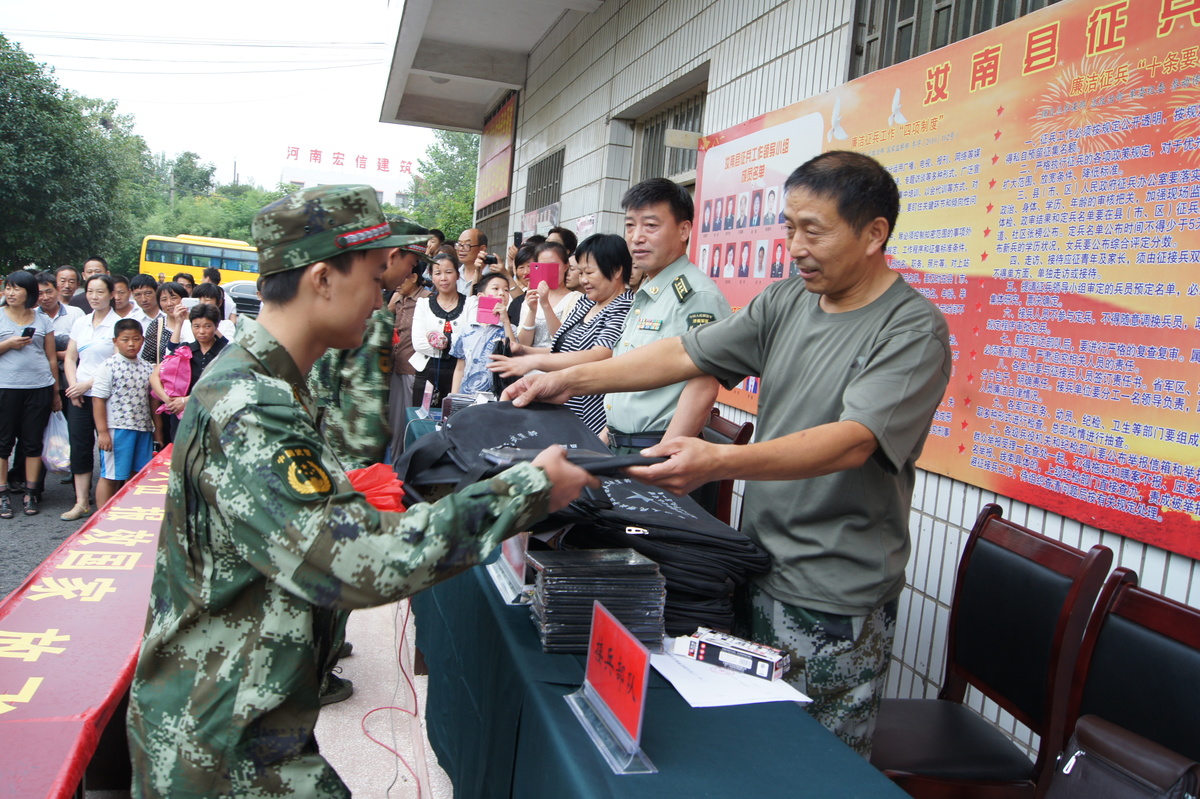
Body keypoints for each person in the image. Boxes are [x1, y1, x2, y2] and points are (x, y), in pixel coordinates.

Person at [126, 184, 594, 798]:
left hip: (245, 720)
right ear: (322, 278)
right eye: (375, 277)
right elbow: (355, 563)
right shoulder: (250, 403)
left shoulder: (268, 383)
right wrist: (527, 491)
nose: (382, 296)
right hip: (219, 744)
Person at [504, 151, 952, 757]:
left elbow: (853, 441)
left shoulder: (910, 328)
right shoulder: (788, 301)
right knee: (747, 745)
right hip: (755, 558)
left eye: (813, 230)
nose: (795, 246)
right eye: (789, 227)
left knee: (815, 762)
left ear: (875, 233)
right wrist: (572, 380)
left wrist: (717, 462)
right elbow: (685, 354)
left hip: (829, 588)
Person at [605, 177, 730, 454]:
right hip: (620, 445)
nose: (636, 237)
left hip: (655, 449)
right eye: (630, 225)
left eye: (651, 225)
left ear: (684, 230)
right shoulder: (651, 290)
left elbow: (703, 388)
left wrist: (661, 459)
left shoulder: (696, 296)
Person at [490, 233, 633, 436]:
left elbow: (600, 354)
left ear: (617, 270)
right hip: (562, 405)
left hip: (593, 415)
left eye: (590, 273)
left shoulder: (624, 307)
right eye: (581, 272)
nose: (583, 280)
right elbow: (562, 349)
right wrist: (525, 351)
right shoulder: (585, 302)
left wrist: (534, 362)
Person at [0, 270, 60, 517]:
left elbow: (51, 358)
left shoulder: (42, 319)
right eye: (8, 288)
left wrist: (56, 392)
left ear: (28, 293)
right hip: (6, 387)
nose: (10, 293)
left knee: (33, 443)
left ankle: (31, 492)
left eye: (16, 288)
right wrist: (8, 344)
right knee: (3, 443)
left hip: (39, 387)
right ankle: (3, 494)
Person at [62, 274, 118, 521]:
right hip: (80, 396)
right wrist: (74, 386)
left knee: (110, 447)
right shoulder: (81, 323)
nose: (94, 297)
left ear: (111, 295)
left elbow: (117, 363)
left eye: (100, 292)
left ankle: (112, 501)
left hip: (107, 396)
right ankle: (82, 501)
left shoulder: (120, 323)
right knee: (80, 446)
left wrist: (86, 384)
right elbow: (71, 358)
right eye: (91, 292)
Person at [92, 318, 154, 506]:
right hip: (117, 429)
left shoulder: (147, 367)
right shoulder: (108, 366)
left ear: (142, 340)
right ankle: (101, 517)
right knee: (111, 475)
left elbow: (151, 400)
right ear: (115, 341)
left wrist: (155, 429)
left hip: (142, 428)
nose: (131, 344)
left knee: (137, 475)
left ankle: (128, 512)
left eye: (135, 339)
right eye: (125, 339)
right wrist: (103, 432)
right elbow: (98, 400)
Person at [151, 304, 228, 441]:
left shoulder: (226, 353)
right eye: (196, 326)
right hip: (183, 418)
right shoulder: (184, 349)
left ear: (216, 326)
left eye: (207, 326)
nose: (201, 331)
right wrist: (168, 400)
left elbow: (224, 387)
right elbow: (155, 376)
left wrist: (186, 400)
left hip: (214, 417)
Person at [387, 251, 432, 457]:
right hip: (395, 368)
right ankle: (396, 463)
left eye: (403, 277)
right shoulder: (398, 299)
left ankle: (406, 463)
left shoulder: (426, 299)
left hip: (414, 370)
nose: (398, 282)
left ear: (414, 277)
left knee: (409, 421)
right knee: (394, 422)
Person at [409, 253, 465, 406]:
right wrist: (454, 341)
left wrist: (439, 340)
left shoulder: (470, 304)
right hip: (427, 371)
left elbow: (469, 342)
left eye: (448, 272)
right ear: (432, 276)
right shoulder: (423, 304)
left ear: (457, 275)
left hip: (459, 371)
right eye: (438, 273)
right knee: (423, 420)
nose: (443, 278)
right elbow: (418, 343)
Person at [451, 273, 516, 396]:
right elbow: (460, 368)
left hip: (496, 395)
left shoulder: (511, 329)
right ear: (481, 296)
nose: (502, 293)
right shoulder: (467, 329)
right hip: (466, 394)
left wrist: (506, 321)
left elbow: (514, 353)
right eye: (496, 288)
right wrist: (453, 396)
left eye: (506, 290)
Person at [516, 241, 580, 349]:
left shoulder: (576, 299)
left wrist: (545, 305)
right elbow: (522, 344)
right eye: (542, 266)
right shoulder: (531, 297)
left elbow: (564, 342)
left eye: (552, 266)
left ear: (565, 266)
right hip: (528, 364)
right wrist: (532, 311)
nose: (548, 272)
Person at [454, 228, 489, 292]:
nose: (461, 249)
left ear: (482, 248)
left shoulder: (491, 276)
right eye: (459, 244)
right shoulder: (454, 275)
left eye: (467, 245)